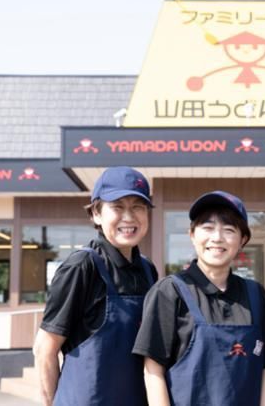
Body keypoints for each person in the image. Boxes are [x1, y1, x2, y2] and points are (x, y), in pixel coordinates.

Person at [133, 190, 265, 406]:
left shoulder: (255, 294)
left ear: (243, 240)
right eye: (208, 227)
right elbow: (153, 370)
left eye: (229, 229)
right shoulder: (170, 291)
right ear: (192, 235)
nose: (217, 237)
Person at [33, 166, 158, 406]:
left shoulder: (147, 270)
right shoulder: (81, 267)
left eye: (138, 207)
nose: (129, 217)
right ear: (96, 215)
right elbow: (45, 348)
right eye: (118, 207)